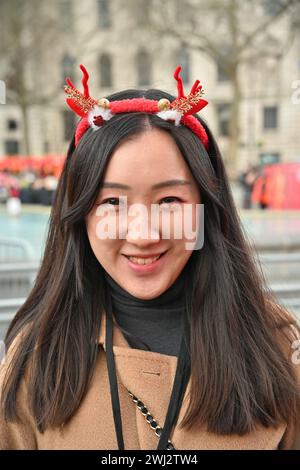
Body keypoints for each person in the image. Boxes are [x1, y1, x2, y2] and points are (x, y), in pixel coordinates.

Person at [0, 64, 300, 451]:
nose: (143, 235)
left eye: (170, 200)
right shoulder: (35, 356)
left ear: (208, 207)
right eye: (112, 202)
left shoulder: (278, 344)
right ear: (79, 214)